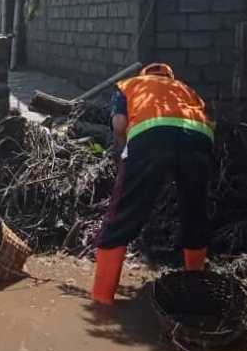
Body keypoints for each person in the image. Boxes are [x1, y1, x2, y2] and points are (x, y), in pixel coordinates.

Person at [92, 63, 215, 305]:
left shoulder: (128, 86)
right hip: (199, 140)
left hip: (150, 138)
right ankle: (195, 287)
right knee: (195, 211)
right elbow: (208, 120)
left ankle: (102, 299)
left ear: (144, 75)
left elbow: (119, 124)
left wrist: (125, 151)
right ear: (169, 76)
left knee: (123, 215)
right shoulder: (185, 88)